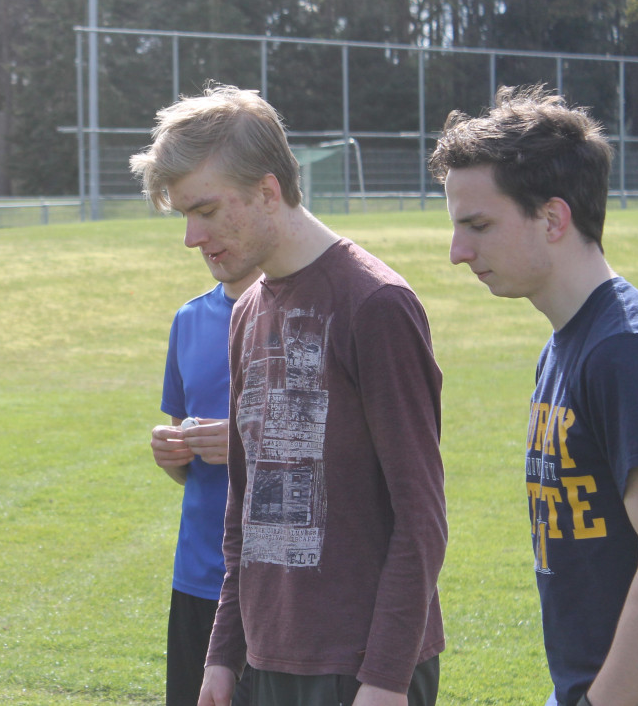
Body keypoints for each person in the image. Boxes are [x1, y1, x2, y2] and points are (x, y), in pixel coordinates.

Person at [130, 84, 446, 706]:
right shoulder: (247, 312)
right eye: (183, 216)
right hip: (262, 660)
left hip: (361, 670)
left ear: (268, 191)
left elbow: (422, 520)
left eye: (206, 210)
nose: (192, 236)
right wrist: (222, 656)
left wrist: (384, 681)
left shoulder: (376, 305)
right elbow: (243, 510)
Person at [430, 85, 638, 706]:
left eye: (478, 225)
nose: (458, 252)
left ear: (553, 218)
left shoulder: (627, 351)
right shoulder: (567, 344)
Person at [152, 251, 260, 706]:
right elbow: (185, 466)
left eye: (209, 212)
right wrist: (170, 454)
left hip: (273, 583)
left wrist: (244, 447)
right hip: (197, 577)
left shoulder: (300, 318)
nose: (195, 237)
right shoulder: (189, 318)